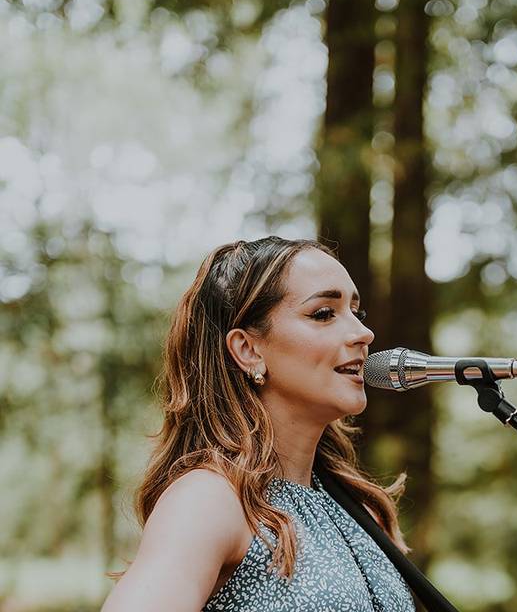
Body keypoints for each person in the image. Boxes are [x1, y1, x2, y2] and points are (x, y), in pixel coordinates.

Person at [101, 236, 415, 611]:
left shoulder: (358, 509)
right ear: (247, 349)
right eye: (323, 313)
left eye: (355, 313)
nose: (364, 334)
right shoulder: (209, 500)